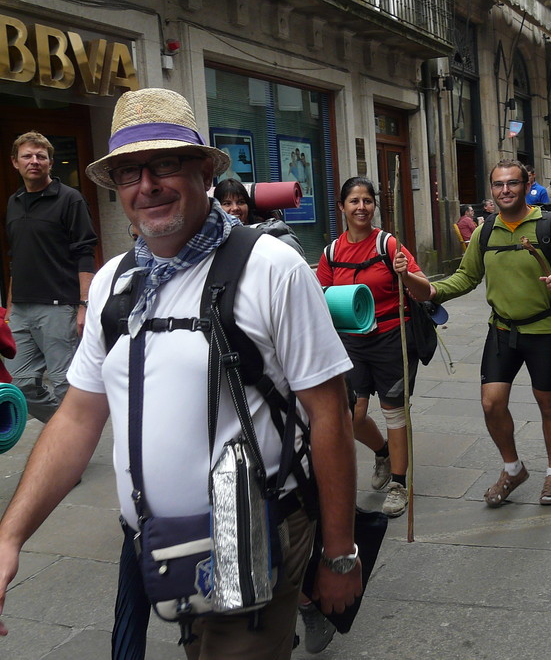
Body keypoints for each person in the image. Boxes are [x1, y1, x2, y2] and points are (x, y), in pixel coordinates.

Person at [0, 89, 362, 657]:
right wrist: (9, 537)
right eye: (127, 172)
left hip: (251, 533)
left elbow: (329, 414)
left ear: (202, 173)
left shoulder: (271, 267)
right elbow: (76, 417)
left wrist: (340, 552)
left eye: (165, 164)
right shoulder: (115, 283)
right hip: (162, 546)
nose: (146, 185)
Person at [428, 160, 551, 506]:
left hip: (544, 329)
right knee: (491, 404)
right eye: (498, 185)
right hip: (501, 329)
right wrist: (432, 291)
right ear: (492, 189)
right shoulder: (485, 232)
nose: (505, 191)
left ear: (526, 184)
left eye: (512, 183)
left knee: (549, 405)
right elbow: (466, 277)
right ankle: (513, 469)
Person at [316, 177, 431, 520]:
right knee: (352, 415)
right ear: (342, 207)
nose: (361, 207)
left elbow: (425, 292)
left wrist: (404, 276)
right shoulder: (332, 253)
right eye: (354, 201)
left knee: (394, 411)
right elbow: (319, 299)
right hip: (350, 342)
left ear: (374, 206)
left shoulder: (388, 244)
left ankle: (398, 482)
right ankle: (381, 451)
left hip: (392, 338)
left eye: (367, 200)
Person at [5, 131, 98, 423]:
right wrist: (8, 308)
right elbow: (15, 258)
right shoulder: (14, 201)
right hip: (20, 308)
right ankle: (67, 436)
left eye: (40, 156)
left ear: (50, 162)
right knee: (18, 384)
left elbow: (85, 252)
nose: (34, 161)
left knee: (64, 384)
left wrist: (84, 304)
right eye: (27, 156)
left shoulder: (70, 199)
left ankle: (68, 453)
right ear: (15, 163)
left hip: (59, 306)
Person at [213, 178, 305, 256]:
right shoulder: (211, 239)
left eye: (241, 202)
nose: (235, 208)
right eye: (227, 204)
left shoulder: (272, 231)